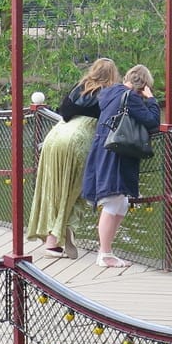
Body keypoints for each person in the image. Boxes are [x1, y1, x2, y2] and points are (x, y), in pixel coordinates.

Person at [26, 58, 118, 259]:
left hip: (55, 136)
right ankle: (55, 240)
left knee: (52, 189)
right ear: (113, 75)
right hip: (78, 141)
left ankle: (57, 235)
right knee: (74, 191)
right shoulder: (110, 94)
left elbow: (64, 112)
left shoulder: (80, 87)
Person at [81, 63, 160, 268]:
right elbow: (152, 121)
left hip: (105, 148)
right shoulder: (131, 97)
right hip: (116, 154)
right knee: (113, 200)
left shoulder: (111, 91)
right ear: (143, 85)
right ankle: (105, 254)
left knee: (121, 202)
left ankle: (105, 250)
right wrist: (151, 100)